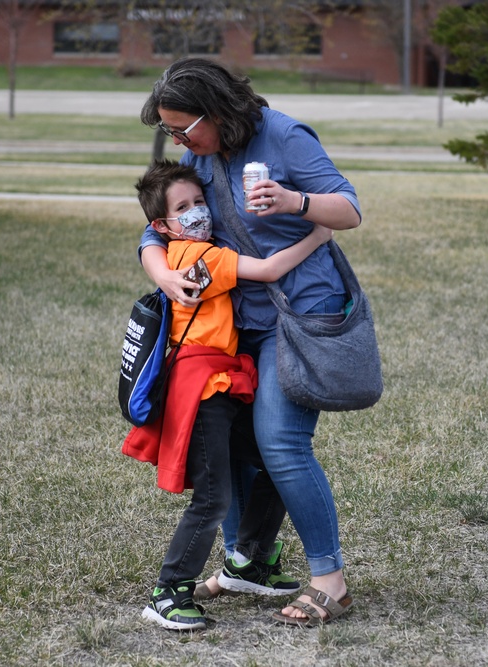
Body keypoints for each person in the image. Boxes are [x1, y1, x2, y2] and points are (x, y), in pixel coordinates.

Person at [138, 57, 362, 627]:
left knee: (281, 441)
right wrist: (161, 272)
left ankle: (329, 582)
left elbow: (350, 208)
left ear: (215, 112)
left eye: (182, 129)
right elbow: (157, 219)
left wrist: (294, 202)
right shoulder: (202, 151)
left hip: (300, 315)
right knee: (242, 450)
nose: (177, 140)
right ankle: (250, 561)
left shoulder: (284, 136)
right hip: (239, 326)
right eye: (170, 130)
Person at [122, 159, 332, 631]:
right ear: (161, 226)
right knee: (213, 498)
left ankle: (250, 561)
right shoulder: (205, 258)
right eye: (184, 207)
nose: (198, 211)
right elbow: (271, 268)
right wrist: (317, 236)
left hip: (220, 384)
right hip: (203, 392)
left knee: (279, 459)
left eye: (200, 201)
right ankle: (168, 592)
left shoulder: (185, 253)